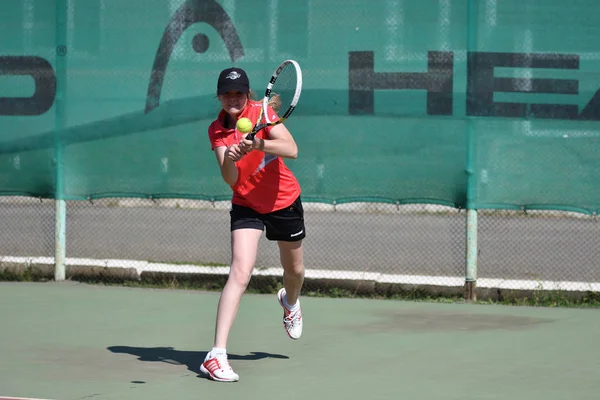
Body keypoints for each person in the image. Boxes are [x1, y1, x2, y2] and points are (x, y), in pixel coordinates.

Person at [200, 67, 306, 382]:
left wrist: (257, 145)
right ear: (219, 96)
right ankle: (216, 354)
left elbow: (292, 149)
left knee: (295, 272)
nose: (233, 99)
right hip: (246, 203)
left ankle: (290, 302)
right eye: (227, 93)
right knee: (240, 270)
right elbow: (232, 181)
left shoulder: (263, 112)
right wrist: (231, 157)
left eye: (239, 93)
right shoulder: (216, 130)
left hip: (282, 200)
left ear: (247, 94)